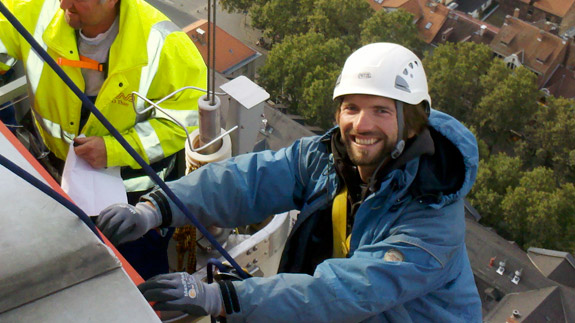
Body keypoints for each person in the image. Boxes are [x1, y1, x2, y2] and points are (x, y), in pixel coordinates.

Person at [97, 43, 482, 321]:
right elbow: (249, 180)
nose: (361, 125)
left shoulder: (431, 221)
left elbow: (347, 292)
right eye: (352, 107)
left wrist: (223, 297)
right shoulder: (329, 158)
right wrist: (155, 209)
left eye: (381, 111)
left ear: (411, 122)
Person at [0, 0, 207, 279]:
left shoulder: (163, 43)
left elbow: (184, 121)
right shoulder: (36, 10)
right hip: (59, 175)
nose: (64, 4)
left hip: (135, 198)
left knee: (136, 272)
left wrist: (115, 149)